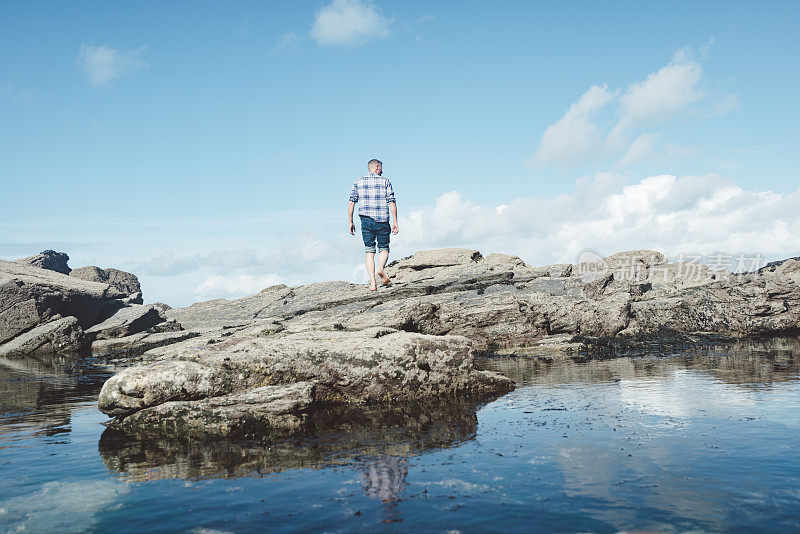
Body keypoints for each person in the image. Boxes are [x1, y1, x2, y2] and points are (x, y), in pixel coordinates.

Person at [348, 159, 399, 291]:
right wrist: (395, 221)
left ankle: (372, 283)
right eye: (381, 167)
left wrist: (350, 221)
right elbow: (392, 202)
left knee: (369, 251)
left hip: (366, 220)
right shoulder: (385, 181)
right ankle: (381, 269)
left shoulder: (358, 181)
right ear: (377, 167)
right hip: (382, 219)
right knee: (384, 248)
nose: (382, 170)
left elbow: (352, 202)